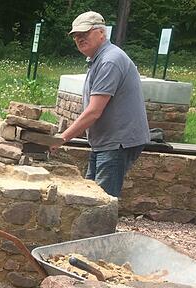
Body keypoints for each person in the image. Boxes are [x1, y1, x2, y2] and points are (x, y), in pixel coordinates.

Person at [57, 11, 150, 198]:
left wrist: (62, 138)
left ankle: (101, 228)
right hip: (107, 141)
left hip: (118, 142)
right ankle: (92, 227)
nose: (80, 39)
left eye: (85, 33)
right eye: (76, 36)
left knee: (101, 201)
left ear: (102, 33)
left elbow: (94, 112)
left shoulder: (110, 61)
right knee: (90, 195)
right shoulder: (99, 59)